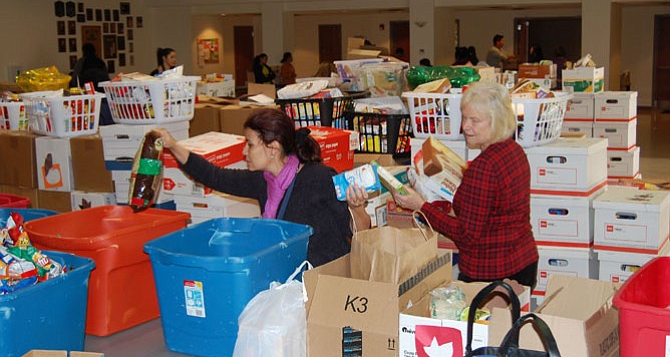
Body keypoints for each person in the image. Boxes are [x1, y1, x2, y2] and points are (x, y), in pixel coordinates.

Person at [156, 108, 371, 267]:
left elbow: (359, 234)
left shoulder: (318, 178)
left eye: (249, 144)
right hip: (288, 277)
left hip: (323, 283)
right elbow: (214, 176)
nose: (243, 152)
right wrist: (173, 145)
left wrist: (357, 207)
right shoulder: (262, 180)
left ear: (272, 148)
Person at [390, 81, 538, 288]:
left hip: (490, 273)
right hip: (523, 261)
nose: (465, 126)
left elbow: (466, 235)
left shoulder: (484, 167)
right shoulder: (514, 150)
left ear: (496, 121)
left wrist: (421, 206)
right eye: (464, 117)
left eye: (475, 120)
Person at [70, 43, 114, 125]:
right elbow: (106, 77)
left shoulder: (81, 62)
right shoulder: (100, 62)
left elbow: (75, 77)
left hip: (88, 92)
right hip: (102, 93)